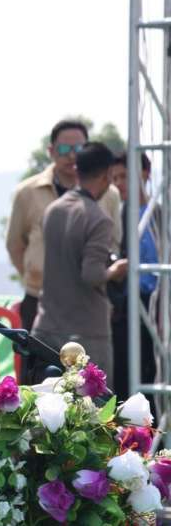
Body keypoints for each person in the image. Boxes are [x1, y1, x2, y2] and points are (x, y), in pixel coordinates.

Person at [5, 119, 121, 335]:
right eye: (64, 150)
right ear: (51, 151)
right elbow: (15, 245)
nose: (72, 156)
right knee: (40, 357)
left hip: (90, 303)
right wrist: (34, 276)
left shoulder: (109, 194)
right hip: (40, 301)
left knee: (89, 358)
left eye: (79, 149)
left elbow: (113, 242)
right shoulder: (27, 192)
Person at [28, 142, 128, 385]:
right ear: (106, 176)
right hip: (87, 334)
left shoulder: (53, 210)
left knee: (45, 403)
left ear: (77, 170)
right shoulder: (99, 219)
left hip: (46, 327)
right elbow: (92, 275)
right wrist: (115, 270)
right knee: (93, 405)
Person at [110, 152, 158, 403]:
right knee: (127, 376)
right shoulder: (116, 216)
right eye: (115, 178)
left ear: (145, 174)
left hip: (158, 307)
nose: (119, 183)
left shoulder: (160, 213)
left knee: (155, 374)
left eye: (124, 176)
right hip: (127, 310)